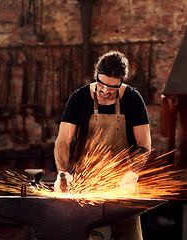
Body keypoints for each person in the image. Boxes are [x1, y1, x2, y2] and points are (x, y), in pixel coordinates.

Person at [54, 50, 151, 240]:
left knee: (128, 237)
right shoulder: (79, 98)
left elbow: (144, 143)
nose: (106, 91)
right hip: (86, 185)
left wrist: (130, 177)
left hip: (122, 185)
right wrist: (62, 173)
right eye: (101, 84)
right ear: (96, 75)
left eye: (112, 88)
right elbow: (63, 141)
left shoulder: (133, 100)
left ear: (121, 82)